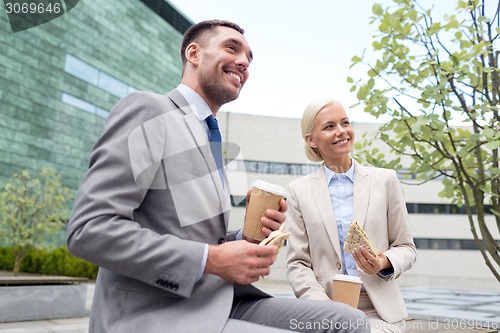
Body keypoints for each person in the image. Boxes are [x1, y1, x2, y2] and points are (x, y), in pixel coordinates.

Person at [67, 20, 370, 333]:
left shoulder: (209, 136)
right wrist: (210, 259)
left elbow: (196, 238)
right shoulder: (150, 110)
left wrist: (246, 239)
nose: (244, 62)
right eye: (232, 48)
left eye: (250, 58)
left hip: (220, 300)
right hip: (157, 313)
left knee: (349, 321)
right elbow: (90, 230)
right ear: (194, 53)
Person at [285, 98, 417, 333]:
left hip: (379, 312)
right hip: (324, 309)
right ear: (311, 139)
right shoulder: (298, 191)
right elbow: (298, 263)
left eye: (345, 122)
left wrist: (383, 262)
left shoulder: (385, 181)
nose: (341, 131)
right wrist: (324, 308)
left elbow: (405, 247)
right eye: (329, 126)